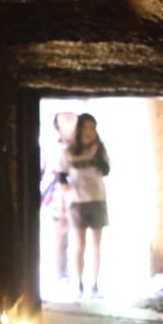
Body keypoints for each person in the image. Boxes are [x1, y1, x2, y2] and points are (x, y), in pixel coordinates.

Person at [60, 113, 110, 296]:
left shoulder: (100, 150)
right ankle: (78, 284)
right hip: (77, 202)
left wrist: (95, 155)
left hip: (97, 198)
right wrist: (68, 193)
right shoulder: (69, 152)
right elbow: (61, 175)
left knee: (96, 244)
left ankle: (94, 284)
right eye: (87, 126)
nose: (90, 131)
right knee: (78, 244)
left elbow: (106, 171)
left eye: (93, 127)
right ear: (79, 128)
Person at [42, 110, 78, 290]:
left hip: (80, 196)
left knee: (79, 238)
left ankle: (78, 276)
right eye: (64, 118)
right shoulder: (52, 146)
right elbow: (44, 170)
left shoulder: (82, 146)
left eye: (72, 118)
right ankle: (61, 276)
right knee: (60, 237)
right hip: (57, 197)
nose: (69, 121)